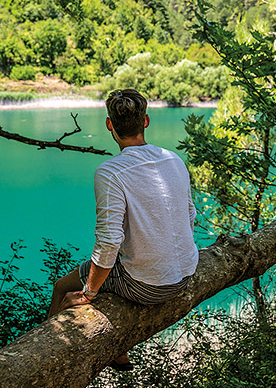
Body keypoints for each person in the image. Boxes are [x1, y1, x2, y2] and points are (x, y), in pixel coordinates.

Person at [47, 88, 199, 367]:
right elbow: (190, 216)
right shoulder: (173, 159)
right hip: (186, 273)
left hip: (149, 286)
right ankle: (119, 351)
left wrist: (88, 293)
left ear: (109, 124)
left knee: (61, 287)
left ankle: (48, 355)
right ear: (146, 121)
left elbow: (108, 242)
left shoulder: (111, 172)